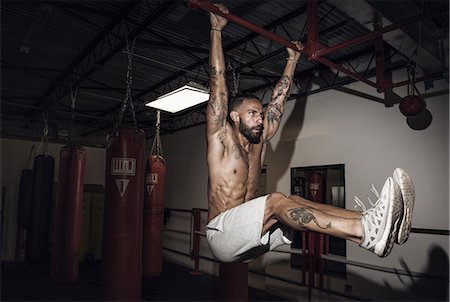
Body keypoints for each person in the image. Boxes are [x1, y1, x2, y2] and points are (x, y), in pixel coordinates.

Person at [205, 4, 415, 263]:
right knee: (275, 201)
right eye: (252, 114)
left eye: (260, 114)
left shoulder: (259, 140)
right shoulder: (221, 139)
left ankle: (375, 226)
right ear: (234, 117)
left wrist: (292, 60)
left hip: (251, 238)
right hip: (223, 235)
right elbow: (218, 85)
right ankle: (365, 230)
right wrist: (216, 29)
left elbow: (278, 103)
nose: (260, 118)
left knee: (292, 199)